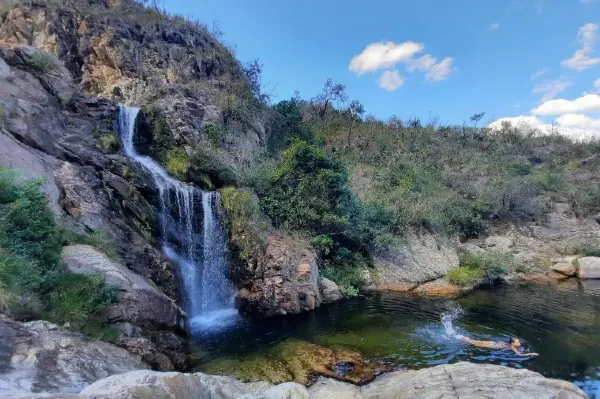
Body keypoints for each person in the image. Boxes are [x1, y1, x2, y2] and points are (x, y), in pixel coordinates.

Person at [456, 335, 539, 357]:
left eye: (518, 342)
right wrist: (531, 354)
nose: (519, 343)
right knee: (474, 343)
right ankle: (461, 338)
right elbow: (520, 354)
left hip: (494, 343)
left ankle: (461, 337)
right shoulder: (512, 347)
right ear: (512, 343)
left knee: (475, 342)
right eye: (517, 342)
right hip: (494, 346)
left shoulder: (510, 345)